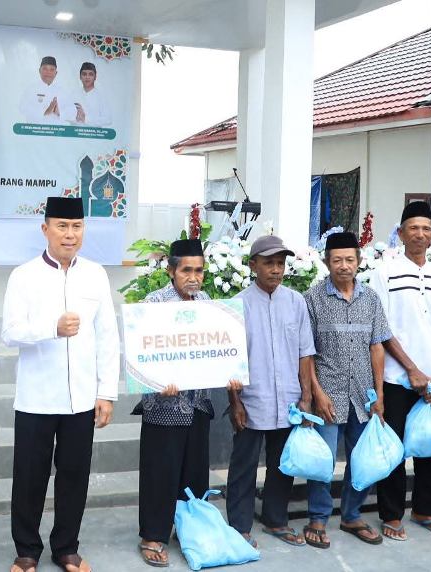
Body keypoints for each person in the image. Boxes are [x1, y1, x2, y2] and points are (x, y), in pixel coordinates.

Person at [3, 196, 119, 572]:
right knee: (29, 478)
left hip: (81, 399)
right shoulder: (23, 276)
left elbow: (108, 337)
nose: (70, 234)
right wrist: (50, 328)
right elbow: (10, 332)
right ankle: (26, 551)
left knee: (74, 476)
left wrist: (106, 392)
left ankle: (66, 547)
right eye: (62, 226)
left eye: (77, 227)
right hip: (36, 398)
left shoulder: (96, 275)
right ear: (45, 229)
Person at [135, 239, 238, 567]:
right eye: (187, 271)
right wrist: (155, 381)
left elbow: (216, 349)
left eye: (199, 271)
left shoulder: (206, 302)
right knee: (160, 473)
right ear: (171, 271)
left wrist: (231, 372)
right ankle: (153, 534)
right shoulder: (154, 303)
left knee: (194, 474)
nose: (194, 278)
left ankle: (189, 528)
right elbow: (142, 354)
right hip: (163, 407)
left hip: (198, 405)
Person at [368, 201, 431, 540]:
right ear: (401, 233)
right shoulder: (385, 271)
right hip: (396, 377)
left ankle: (425, 510)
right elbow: (380, 328)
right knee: (394, 449)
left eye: (426, 229)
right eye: (413, 228)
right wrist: (411, 369)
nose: (420, 234)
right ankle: (392, 515)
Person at [302, 232, 392, 548]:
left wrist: (379, 394)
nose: (344, 266)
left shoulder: (371, 299)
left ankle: (352, 515)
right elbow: (306, 352)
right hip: (328, 394)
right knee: (322, 461)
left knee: (361, 459)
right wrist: (316, 393)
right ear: (327, 262)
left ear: (359, 261)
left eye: (349, 259)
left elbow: (377, 346)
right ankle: (318, 517)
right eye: (337, 260)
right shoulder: (312, 299)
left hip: (363, 396)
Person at [226, 234, 315, 549]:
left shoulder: (296, 302)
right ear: (253, 266)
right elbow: (231, 359)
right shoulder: (237, 304)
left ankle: (276, 519)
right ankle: (239, 527)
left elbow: (305, 352)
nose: (276, 269)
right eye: (269, 263)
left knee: (282, 464)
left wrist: (306, 397)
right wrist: (235, 403)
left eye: (280, 263)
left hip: (289, 399)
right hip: (253, 399)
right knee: (244, 466)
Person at [19, 56, 68, 124]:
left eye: (52, 69)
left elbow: (72, 110)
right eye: (45, 69)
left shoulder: (61, 91)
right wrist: (45, 112)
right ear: (39, 71)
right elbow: (22, 107)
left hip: (55, 129)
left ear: (56, 73)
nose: (48, 72)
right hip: (35, 128)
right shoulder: (31, 89)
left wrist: (59, 112)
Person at [65, 62, 111, 127]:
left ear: (95, 77)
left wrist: (85, 119)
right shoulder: (74, 94)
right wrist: (75, 116)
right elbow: (66, 115)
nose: (87, 77)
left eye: (90, 74)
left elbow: (108, 120)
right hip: (75, 132)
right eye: (84, 74)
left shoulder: (101, 97)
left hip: (93, 132)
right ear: (80, 77)